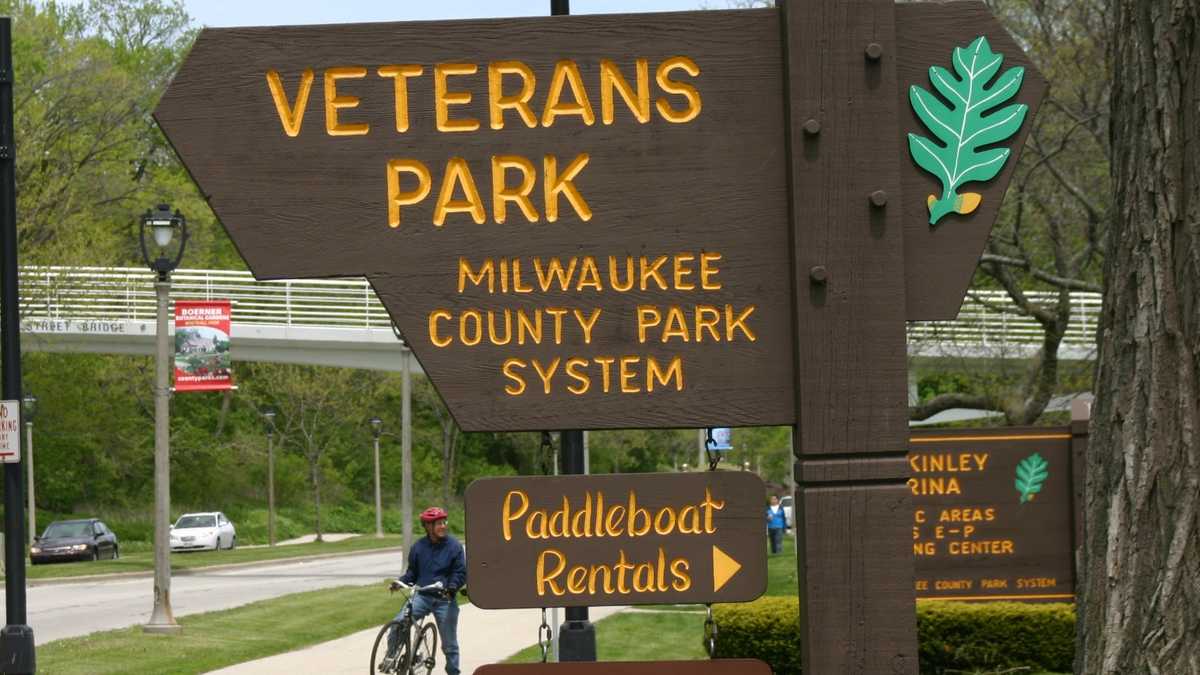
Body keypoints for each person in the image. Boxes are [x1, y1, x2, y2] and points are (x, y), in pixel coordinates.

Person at [390, 506, 466, 675]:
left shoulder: (454, 546)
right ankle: (391, 658)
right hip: (422, 596)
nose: (443, 526)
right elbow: (412, 573)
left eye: (444, 522)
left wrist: (452, 587)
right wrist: (400, 582)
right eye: (439, 523)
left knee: (449, 644)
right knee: (398, 623)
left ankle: (453, 672)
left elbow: (460, 572)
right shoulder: (418, 547)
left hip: (445, 599)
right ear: (428, 526)